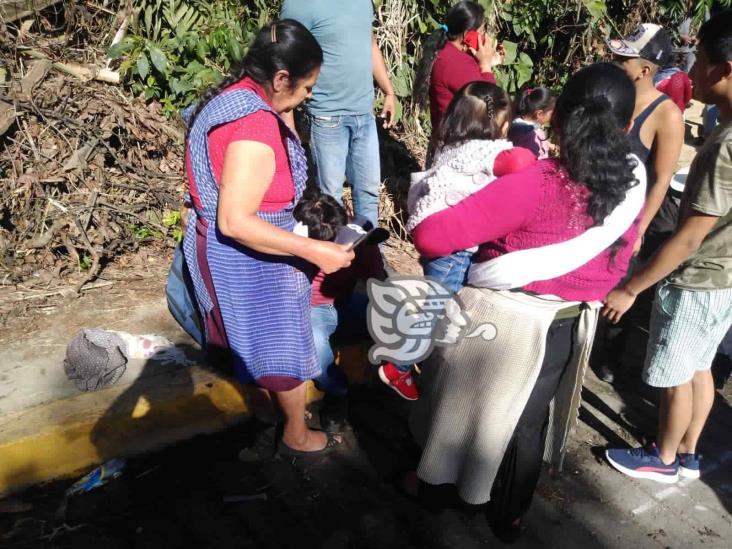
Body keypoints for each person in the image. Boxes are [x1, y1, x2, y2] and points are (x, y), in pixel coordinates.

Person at [408, 63, 645, 541]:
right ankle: (510, 514)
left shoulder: (535, 182)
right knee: (528, 422)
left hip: (503, 320)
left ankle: (438, 492)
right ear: (627, 126)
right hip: (567, 324)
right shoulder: (630, 185)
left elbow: (431, 237)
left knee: (464, 408)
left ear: (556, 121)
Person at [183, 20, 355, 456]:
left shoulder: (233, 99)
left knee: (245, 342)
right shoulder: (254, 128)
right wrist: (313, 248)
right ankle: (296, 433)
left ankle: (264, 413)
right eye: (306, 85)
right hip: (250, 260)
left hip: (224, 257)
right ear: (281, 78)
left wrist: (286, 105)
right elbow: (236, 221)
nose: (309, 94)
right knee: (282, 346)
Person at [604, 10, 732, 483]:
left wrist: (632, 286)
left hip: (698, 278)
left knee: (677, 372)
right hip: (723, 277)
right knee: (699, 368)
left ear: (725, 69)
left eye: (699, 62)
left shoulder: (723, 143)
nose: (692, 73)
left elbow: (691, 233)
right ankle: (690, 453)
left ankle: (664, 458)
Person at [377, 82, 535, 402]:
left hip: (431, 234)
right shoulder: (489, 153)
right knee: (434, 307)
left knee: (434, 299)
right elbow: (522, 162)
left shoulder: (453, 144)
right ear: (497, 123)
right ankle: (399, 365)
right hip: (453, 248)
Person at [280, 0, 397, 228]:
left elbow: (370, 43)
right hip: (326, 116)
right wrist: (288, 119)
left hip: (364, 113)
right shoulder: (300, 5)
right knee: (331, 198)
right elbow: (286, 56)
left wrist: (389, 91)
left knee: (368, 193)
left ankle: (371, 258)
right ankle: (337, 259)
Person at [293, 189, 387, 431]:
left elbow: (377, 281)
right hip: (311, 310)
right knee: (314, 353)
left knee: (394, 320)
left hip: (345, 303)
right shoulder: (287, 239)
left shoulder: (357, 238)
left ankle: (393, 375)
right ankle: (337, 392)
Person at [412, 1, 499, 148]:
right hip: (459, 148)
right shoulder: (456, 62)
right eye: (482, 32)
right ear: (468, 35)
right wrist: (486, 66)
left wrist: (487, 61)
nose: (484, 37)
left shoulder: (446, 52)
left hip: (447, 141)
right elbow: (490, 104)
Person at [508, 86, 557, 159]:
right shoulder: (532, 137)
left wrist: (549, 145)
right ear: (539, 114)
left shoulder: (516, 122)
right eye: (552, 113)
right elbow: (535, 163)